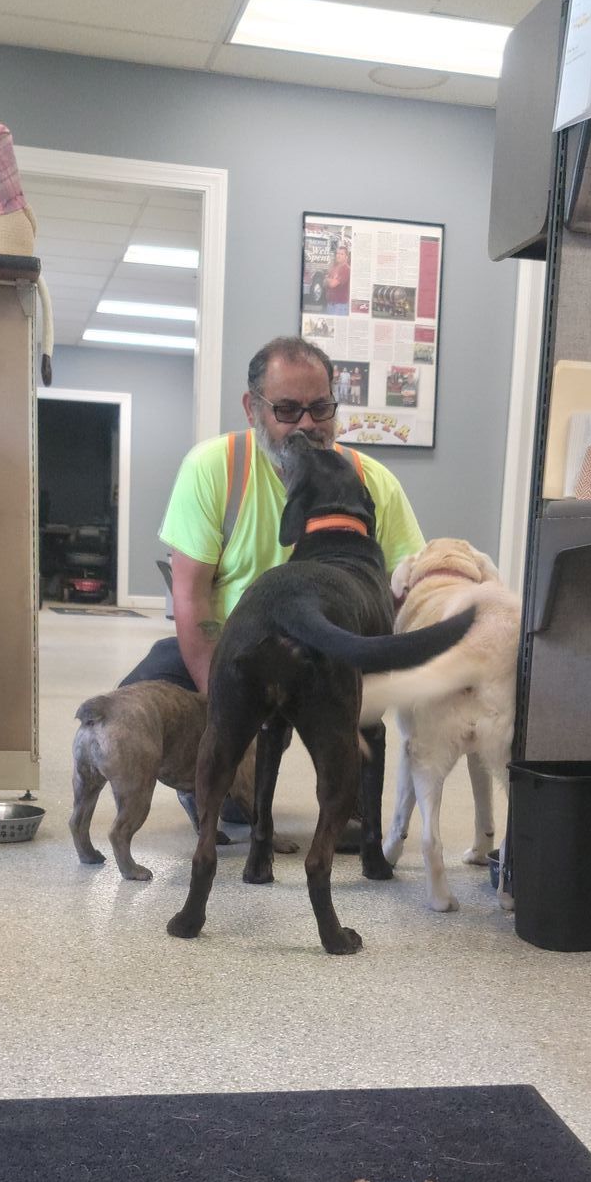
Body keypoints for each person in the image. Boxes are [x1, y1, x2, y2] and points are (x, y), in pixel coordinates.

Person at [120, 336, 427, 827]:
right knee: (138, 706)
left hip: (326, 655)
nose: (306, 423)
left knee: (343, 810)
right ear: (252, 408)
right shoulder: (213, 468)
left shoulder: (373, 483)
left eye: (320, 407)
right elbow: (190, 597)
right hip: (237, 650)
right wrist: (222, 719)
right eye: (287, 409)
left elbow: (407, 586)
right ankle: (205, 771)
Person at [325, 243, 352, 316]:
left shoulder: (346, 269)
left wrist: (328, 279)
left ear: (346, 257)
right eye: (337, 253)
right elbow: (324, 282)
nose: (338, 256)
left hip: (339, 307)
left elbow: (332, 284)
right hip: (330, 305)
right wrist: (329, 280)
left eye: (342, 254)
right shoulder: (334, 268)